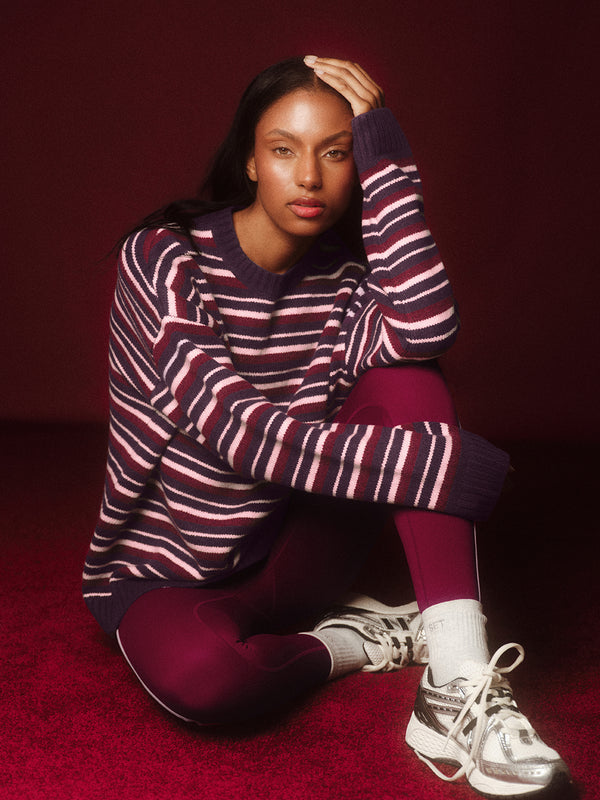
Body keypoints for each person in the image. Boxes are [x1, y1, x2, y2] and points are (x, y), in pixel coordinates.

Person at [83, 56, 570, 797]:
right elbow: (233, 431)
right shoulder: (162, 258)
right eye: (284, 149)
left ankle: (457, 682)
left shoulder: (346, 286)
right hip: (168, 573)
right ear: (250, 159)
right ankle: (360, 641)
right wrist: (443, 469)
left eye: (336, 151)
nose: (309, 176)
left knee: (408, 376)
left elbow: (427, 326)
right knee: (207, 683)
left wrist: (387, 151)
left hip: (292, 553)